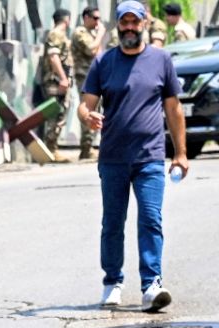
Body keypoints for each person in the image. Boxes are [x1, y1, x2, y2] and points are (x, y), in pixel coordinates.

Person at [79, 0, 187, 311]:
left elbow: (173, 109)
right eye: (124, 22)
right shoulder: (104, 62)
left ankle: (152, 284)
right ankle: (112, 281)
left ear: (143, 24)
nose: (129, 27)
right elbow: (85, 104)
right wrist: (87, 116)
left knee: (151, 219)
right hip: (113, 158)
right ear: (118, 26)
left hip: (149, 156)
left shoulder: (161, 60)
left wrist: (180, 153)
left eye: (134, 22)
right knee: (113, 223)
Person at [72, 6, 106, 159]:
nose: (98, 22)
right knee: (87, 108)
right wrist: (100, 35)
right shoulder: (80, 32)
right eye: (95, 18)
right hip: (84, 76)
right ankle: (86, 148)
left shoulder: (91, 34)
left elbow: (99, 55)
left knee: (97, 109)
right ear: (86, 17)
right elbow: (90, 50)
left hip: (95, 76)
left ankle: (91, 145)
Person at [42, 8, 75, 161]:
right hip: (55, 81)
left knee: (60, 113)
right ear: (66, 19)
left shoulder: (59, 35)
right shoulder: (56, 34)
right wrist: (63, 78)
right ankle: (50, 150)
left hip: (59, 81)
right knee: (55, 114)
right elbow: (53, 57)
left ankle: (51, 149)